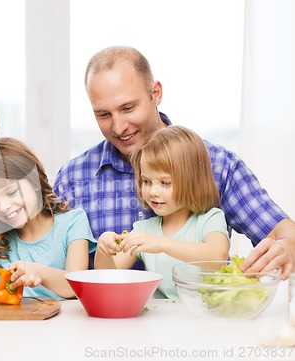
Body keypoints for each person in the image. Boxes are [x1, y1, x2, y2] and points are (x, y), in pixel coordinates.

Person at [53, 45, 295, 279]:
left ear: (155, 93)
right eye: (103, 114)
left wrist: (288, 248)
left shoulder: (218, 165)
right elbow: (48, 262)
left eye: (128, 108)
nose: (118, 127)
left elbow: (280, 233)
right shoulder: (73, 178)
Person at [94, 126, 230, 298]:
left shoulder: (209, 219)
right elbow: (108, 277)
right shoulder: (144, 231)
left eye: (165, 183)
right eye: (147, 181)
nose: (153, 192)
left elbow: (217, 257)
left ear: (193, 182)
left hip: (203, 316)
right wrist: (103, 250)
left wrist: (163, 244)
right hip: (160, 320)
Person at [0, 137, 96, 300]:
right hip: (8, 322)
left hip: (62, 323)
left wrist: (38, 272)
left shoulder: (73, 222)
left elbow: (75, 286)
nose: (3, 206)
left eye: (11, 192)